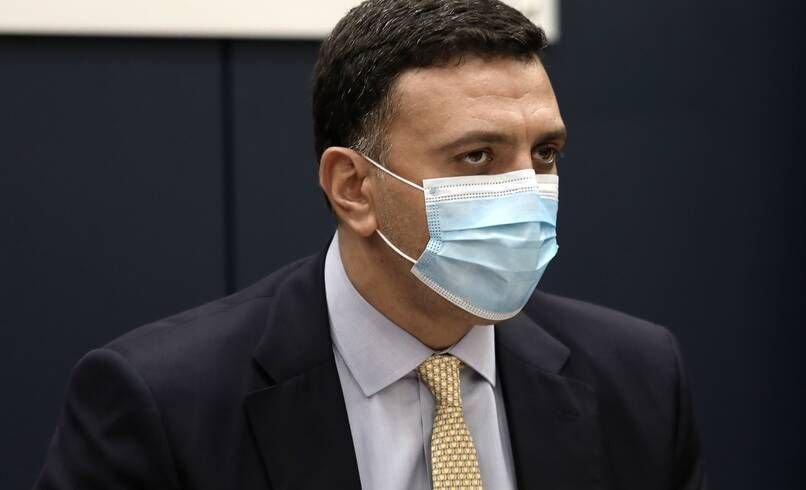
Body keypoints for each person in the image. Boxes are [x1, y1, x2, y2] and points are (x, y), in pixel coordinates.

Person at [35, 1, 707, 489]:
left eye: (545, 153)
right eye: (477, 156)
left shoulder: (637, 381)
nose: (526, 189)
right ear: (353, 187)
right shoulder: (165, 404)